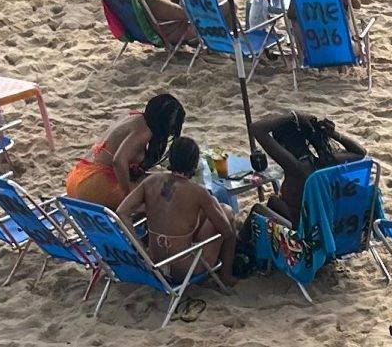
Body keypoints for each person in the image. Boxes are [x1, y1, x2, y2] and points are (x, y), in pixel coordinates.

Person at [115, 137, 238, 284]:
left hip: (155, 264)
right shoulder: (198, 192)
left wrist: (141, 250)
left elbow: (121, 212)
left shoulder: (150, 181)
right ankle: (226, 276)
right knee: (227, 213)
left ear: (171, 158)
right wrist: (215, 205)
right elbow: (226, 232)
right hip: (184, 270)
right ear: (194, 163)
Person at [65, 92, 185, 209]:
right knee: (162, 198)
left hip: (77, 178)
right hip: (93, 185)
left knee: (159, 181)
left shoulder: (135, 117)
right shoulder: (145, 131)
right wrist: (128, 194)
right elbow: (118, 160)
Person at [250, 110, 367, 228]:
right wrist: (333, 134)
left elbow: (257, 129)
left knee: (257, 209)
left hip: (306, 234)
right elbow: (360, 152)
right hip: (330, 226)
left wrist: (294, 115)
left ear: (282, 146)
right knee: (274, 201)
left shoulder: (295, 167)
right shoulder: (326, 162)